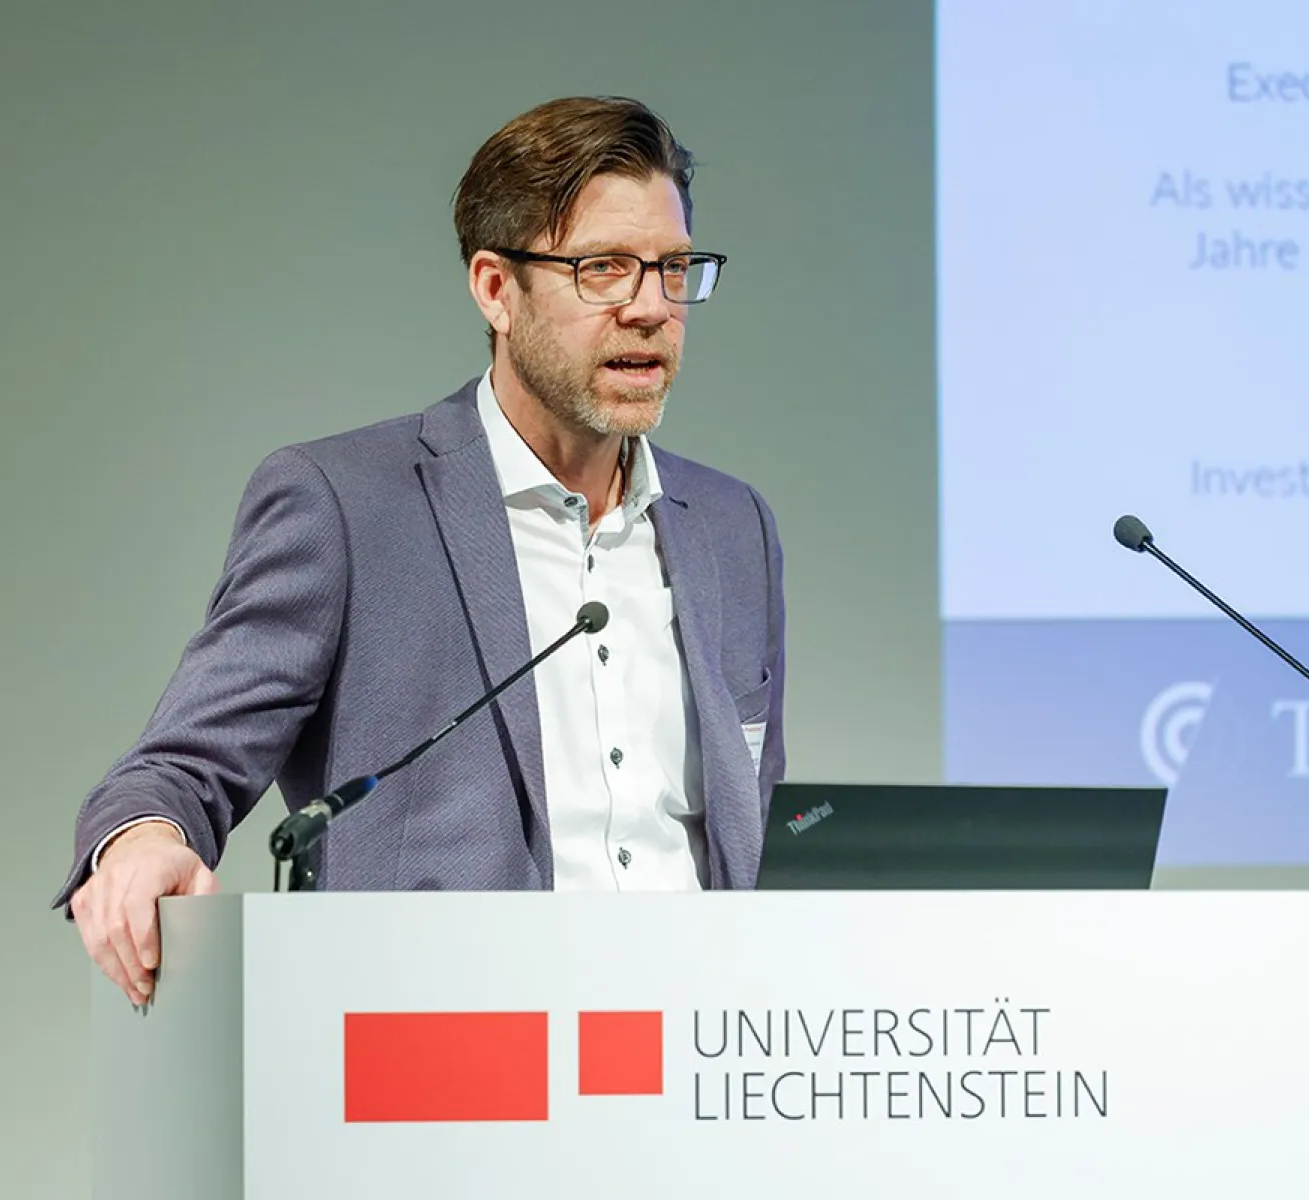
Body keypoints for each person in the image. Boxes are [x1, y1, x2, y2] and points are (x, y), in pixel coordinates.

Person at [52, 96, 787, 1007]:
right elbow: (177, 770)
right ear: (495, 288)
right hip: (455, 1072)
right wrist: (142, 841)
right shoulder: (347, 507)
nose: (650, 309)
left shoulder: (732, 526)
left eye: (674, 269)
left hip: (699, 1068)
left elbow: (760, 843)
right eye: (604, 269)